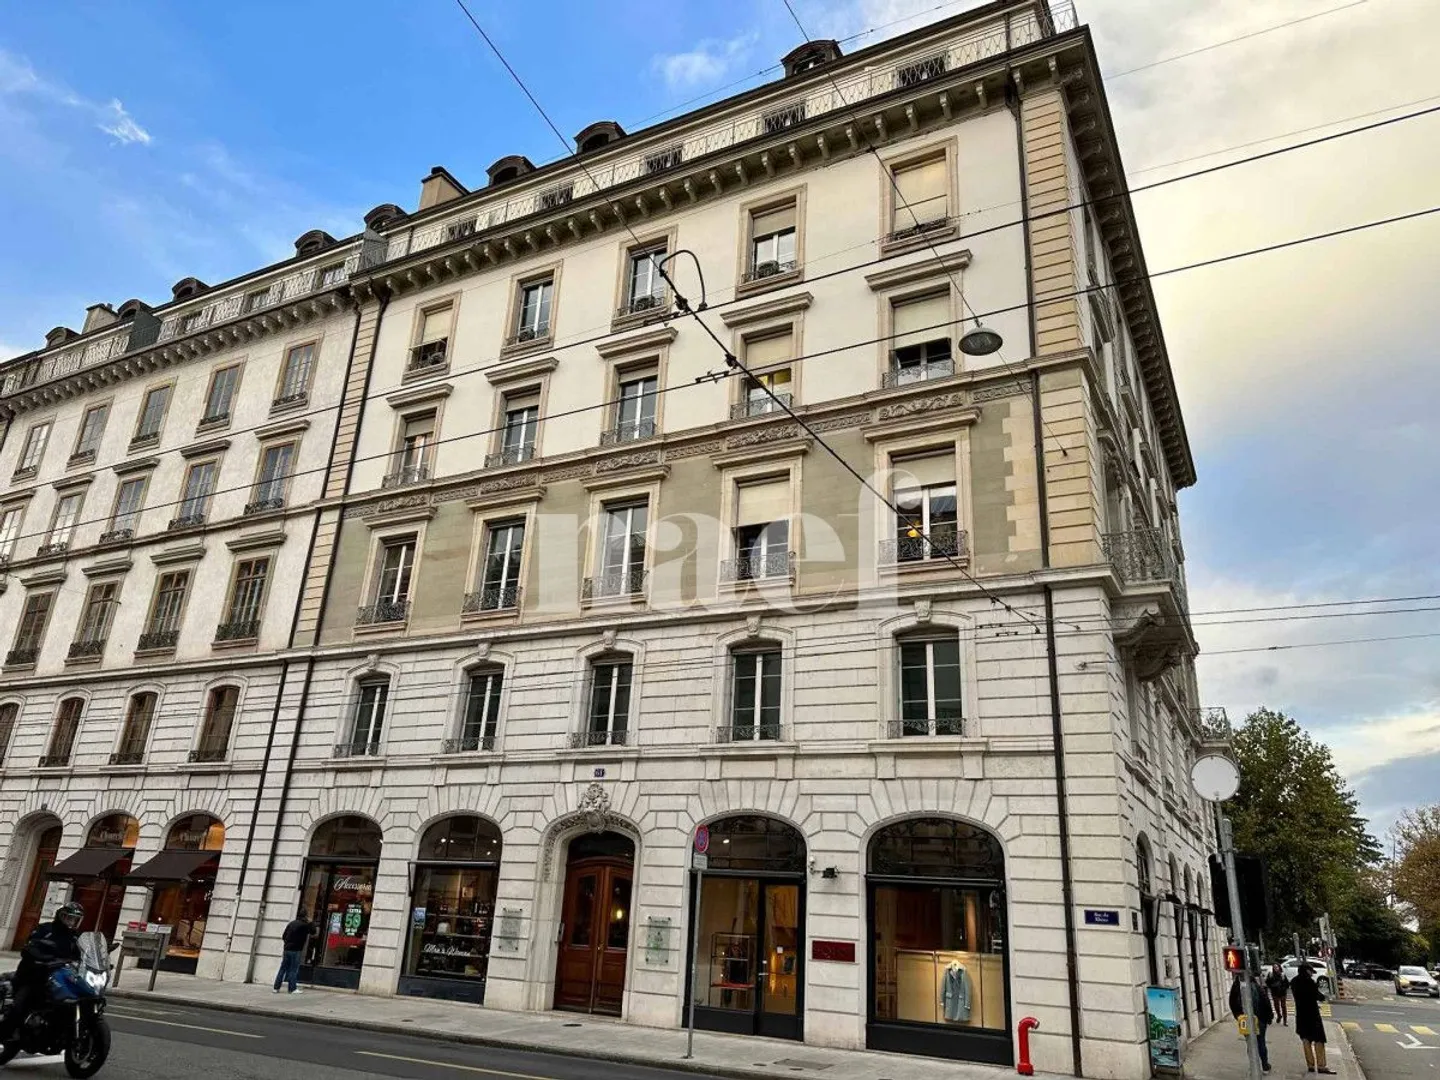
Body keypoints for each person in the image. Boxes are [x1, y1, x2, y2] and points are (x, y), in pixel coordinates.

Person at [0, 901, 85, 1043]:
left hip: (58, 977)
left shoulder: (75, 937)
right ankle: (5, 1033)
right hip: (33, 975)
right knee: (20, 1005)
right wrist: (42, 957)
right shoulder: (45, 929)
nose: (71, 921)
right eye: (68, 917)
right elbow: (30, 945)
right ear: (60, 916)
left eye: (74, 919)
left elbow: (83, 953)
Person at [1290, 962, 1334, 1074]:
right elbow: (1317, 996)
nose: (1312, 974)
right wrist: (1324, 997)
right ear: (1307, 971)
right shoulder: (1309, 982)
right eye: (1310, 971)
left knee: (1306, 1040)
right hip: (1312, 1015)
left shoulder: (1294, 982)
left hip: (1301, 1015)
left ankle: (1310, 1065)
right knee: (1319, 1040)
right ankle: (1321, 1065)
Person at [1230, 973, 1274, 1073]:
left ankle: (1253, 1065)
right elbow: (1265, 1000)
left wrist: (1238, 1017)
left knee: (1250, 1044)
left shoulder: (1236, 987)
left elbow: (1232, 1002)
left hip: (1245, 1020)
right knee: (1261, 1042)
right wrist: (1269, 1017)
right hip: (1260, 1019)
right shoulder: (1256, 986)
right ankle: (1265, 1065)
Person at [274, 908, 315, 995]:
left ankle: (276, 988)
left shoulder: (291, 923)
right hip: (296, 949)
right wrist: (311, 922)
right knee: (293, 969)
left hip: (287, 949)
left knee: (283, 968)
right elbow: (313, 932)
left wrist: (287, 943)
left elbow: (284, 936)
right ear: (305, 916)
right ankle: (292, 988)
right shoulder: (304, 925)